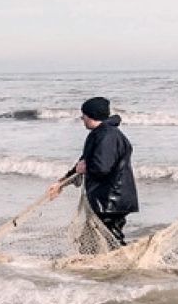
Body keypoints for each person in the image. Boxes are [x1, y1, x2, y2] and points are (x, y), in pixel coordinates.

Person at [47, 96, 138, 247]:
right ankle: (106, 267)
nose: (82, 118)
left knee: (110, 239)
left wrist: (85, 168)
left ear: (91, 116)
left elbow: (102, 167)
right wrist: (61, 183)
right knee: (90, 240)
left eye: (84, 114)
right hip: (106, 199)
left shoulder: (107, 136)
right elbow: (82, 164)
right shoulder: (101, 134)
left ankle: (121, 265)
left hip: (111, 201)